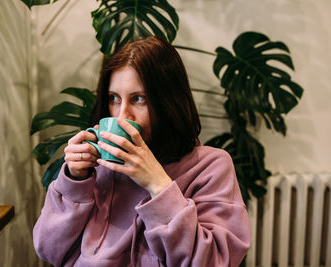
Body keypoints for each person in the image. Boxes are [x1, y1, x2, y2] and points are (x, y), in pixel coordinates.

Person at [33, 36, 250, 267]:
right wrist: (74, 182)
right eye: (114, 99)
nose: (121, 116)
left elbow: (215, 261)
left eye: (138, 99)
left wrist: (159, 185)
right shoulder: (98, 168)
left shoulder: (211, 166)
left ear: (168, 102)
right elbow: (48, 249)